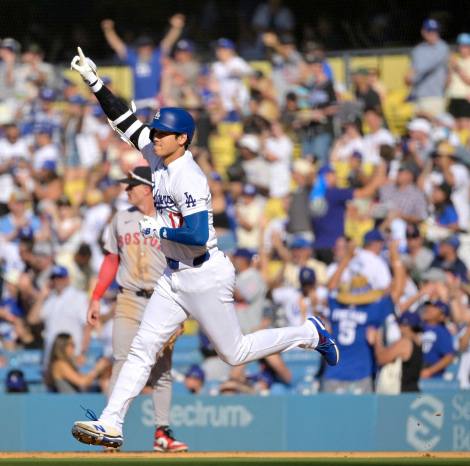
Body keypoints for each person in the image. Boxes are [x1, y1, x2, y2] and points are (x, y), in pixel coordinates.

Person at [69, 49, 338, 448]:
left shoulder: (188, 176)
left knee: (236, 352)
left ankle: (308, 334)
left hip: (205, 272)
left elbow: (195, 235)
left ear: (182, 139)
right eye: (155, 132)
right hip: (173, 276)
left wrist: (155, 227)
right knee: (142, 348)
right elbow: (123, 119)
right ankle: (111, 422)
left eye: (162, 133)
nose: (154, 136)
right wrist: (94, 81)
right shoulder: (157, 152)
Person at [87, 166, 188, 452]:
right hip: (129, 298)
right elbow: (111, 260)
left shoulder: (170, 219)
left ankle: (162, 434)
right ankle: (109, 431)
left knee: (162, 369)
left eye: (131, 185)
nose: (126, 189)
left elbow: (183, 265)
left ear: (147, 188)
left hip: (163, 299)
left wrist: (182, 311)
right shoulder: (121, 219)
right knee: (121, 362)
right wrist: (96, 296)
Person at [100, 14, 184, 110]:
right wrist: (108, 30)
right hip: (138, 102)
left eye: (148, 46)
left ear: (152, 48)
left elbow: (168, 42)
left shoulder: (157, 57)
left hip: (155, 101)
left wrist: (176, 27)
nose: (145, 49)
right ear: (138, 48)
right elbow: (118, 46)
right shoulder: (133, 59)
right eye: (142, 46)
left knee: (168, 108)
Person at [28, 265, 89, 365]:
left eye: (60, 277)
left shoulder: (79, 297)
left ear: (67, 278)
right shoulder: (49, 298)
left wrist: (82, 352)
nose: (57, 281)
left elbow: (87, 326)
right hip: (50, 356)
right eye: (54, 278)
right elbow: (32, 320)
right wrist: (42, 296)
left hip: (72, 353)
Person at [367, 311, 423, 392]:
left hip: (401, 392)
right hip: (412, 390)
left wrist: (377, 340)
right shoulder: (418, 341)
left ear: (407, 326)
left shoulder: (405, 342)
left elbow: (382, 359)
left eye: (400, 325)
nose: (398, 328)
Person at [405, 19, 449, 117]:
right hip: (417, 95)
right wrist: (409, 77)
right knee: (418, 129)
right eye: (429, 31)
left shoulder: (442, 47)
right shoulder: (418, 50)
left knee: (435, 128)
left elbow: (428, 66)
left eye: (435, 31)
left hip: (435, 96)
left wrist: (413, 73)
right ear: (423, 32)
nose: (432, 34)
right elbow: (411, 71)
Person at [44, 333, 110, 393]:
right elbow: (82, 382)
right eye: (71, 344)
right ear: (63, 346)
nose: (74, 347)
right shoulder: (60, 364)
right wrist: (96, 370)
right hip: (69, 403)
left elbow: (85, 378)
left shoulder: (66, 362)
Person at [420, 300, 455, 379]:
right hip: (413, 373)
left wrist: (429, 371)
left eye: (434, 308)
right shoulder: (416, 326)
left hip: (432, 378)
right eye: (429, 306)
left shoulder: (442, 332)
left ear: (442, 316)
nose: (428, 308)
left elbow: (449, 356)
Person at [447, 33, 470, 130]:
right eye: (461, 46)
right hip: (453, 97)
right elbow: (447, 83)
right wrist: (451, 68)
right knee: (454, 128)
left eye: (465, 46)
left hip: (465, 98)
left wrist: (456, 66)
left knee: (465, 128)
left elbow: (468, 80)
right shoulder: (456, 61)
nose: (463, 49)